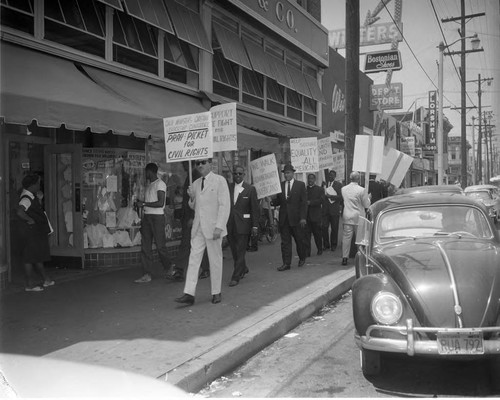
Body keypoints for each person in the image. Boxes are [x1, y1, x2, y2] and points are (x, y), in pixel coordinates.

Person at [175, 158, 230, 305]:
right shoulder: (195, 183)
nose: (200, 165)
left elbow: (224, 205)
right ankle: (189, 293)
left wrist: (220, 226)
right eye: (198, 163)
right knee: (193, 260)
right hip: (199, 227)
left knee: (215, 260)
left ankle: (216, 292)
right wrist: (191, 198)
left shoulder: (219, 181)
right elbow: (195, 206)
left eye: (203, 162)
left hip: (213, 228)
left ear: (210, 164)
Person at [166, 161, 209, 282]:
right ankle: (205, 268)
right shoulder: (190, 176)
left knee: (186, 242)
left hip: (192, 217)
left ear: (190, 164)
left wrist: (192, 216)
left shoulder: (195, 176)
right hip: (188, 216)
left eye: (185, 164)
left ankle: (179, 269)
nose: (182, 166)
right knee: (196, 243)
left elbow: (197, 198)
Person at [134, 163, 173, 283]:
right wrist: (142, 203)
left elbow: (161, 203)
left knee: (160, 246)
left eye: (146, 172)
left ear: (150, 171)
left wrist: (144, 204)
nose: (145, 174)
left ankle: (170, 268)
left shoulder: (160, 184)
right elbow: (151, 201)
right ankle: (147, 274)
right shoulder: (149, 185)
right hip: (147, 217)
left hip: (157, 218)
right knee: (145, 246)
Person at [15, 173, 54, 292]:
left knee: (35, 256)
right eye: (38, 183)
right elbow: (20, 212)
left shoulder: (31, 196)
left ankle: (45, 279)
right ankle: (29, 284)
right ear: (32, 185)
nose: (39, 185)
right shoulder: (26, 198)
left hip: (33, 233)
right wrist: (30, 220)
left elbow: (35, 210)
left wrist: (39, 200)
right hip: (31, 233)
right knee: (30, 257)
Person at [226, 165, 259, 287]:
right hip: (230, 224)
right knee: (234, 250)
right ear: (233, 175)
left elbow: (255, 209)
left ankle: (236, 276)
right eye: (235, 174)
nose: (238, 176)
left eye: (240, 174)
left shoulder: (250, 189)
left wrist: (255, 226)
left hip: (244, 225)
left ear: (243, 175)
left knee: (240, 251)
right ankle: (243, 267)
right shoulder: (228, 188)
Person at [271, 163, 307, 271]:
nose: (286, 175)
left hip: (297, 219)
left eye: (288, 173)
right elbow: (278, 201)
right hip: (284, 218)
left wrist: (303, 217)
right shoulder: (280, 186)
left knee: (299, 240)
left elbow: (303, 203)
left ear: (293, 173)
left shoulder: (300, 185)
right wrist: (271, 201)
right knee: (285, 242)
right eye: (285, 173)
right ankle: (286, 263)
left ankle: (302, 257)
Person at [340, 171, 370, 266]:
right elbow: (366, 204)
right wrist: (369, 198)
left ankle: (345, 257)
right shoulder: (362, 190)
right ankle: (360, 257)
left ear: (350, 178)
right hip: (358, 216)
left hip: (347, 215)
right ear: (358, 179)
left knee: (346, 238)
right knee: (360, 238)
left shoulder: (343, 189)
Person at [321, 169, 343, 251]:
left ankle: (333, 245)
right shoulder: (324, 184)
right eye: (329, 175)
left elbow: (341, 197)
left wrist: (331, 197)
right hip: (325, 210)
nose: (330, 176)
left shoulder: (339, 185)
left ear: (335, 176)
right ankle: (326, 244)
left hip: (334, 210)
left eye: (332, 175)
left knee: (334, 228)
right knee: (324, 227)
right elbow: (321, 195)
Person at [305, 173, 324, 256]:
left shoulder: (319, 189)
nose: (310, 180)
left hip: (316, 215)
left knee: (317, 234)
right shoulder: (304, 189)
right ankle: (307, 252)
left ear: (315, 180)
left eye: (312, 178)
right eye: (309, 178)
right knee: (306, 235)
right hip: (306, 216)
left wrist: (311, 203)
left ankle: (319, 249)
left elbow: (322, 200)